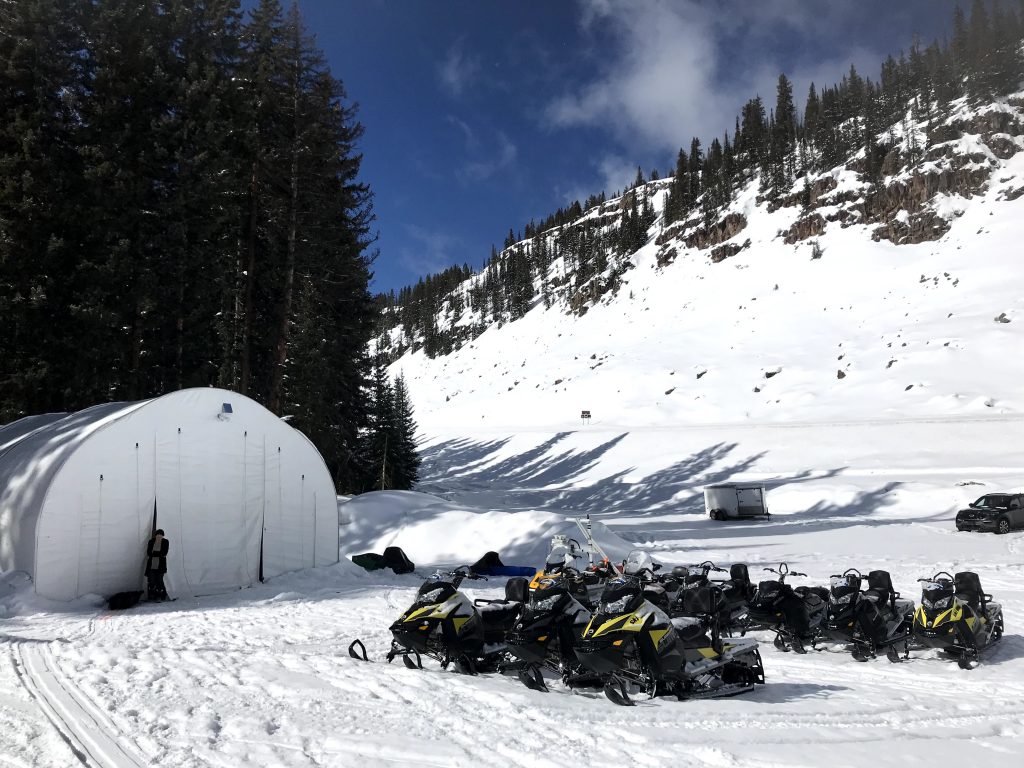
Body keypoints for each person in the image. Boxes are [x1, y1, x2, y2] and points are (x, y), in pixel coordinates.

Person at [144, 529, 169, 601]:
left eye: (161, 535)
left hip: (161, 565)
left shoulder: (165, 541)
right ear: (156, 535)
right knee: (151, 580)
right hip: (151, 565)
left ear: (163, 535)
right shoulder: (151, 541)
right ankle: (153, 594)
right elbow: (149, 553)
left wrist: (154, 553)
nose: (159, 536)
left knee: (159, 580)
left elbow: (164, 553)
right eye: (158, 535)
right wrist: (158, 553)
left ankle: (161, 595)